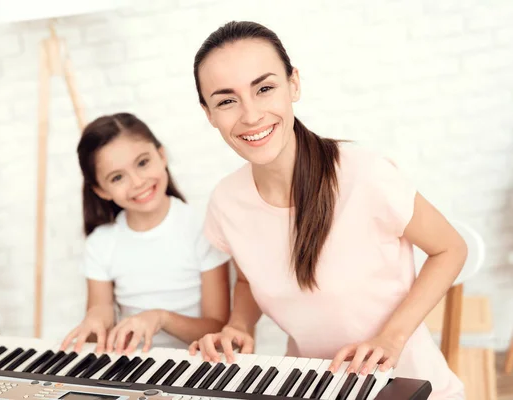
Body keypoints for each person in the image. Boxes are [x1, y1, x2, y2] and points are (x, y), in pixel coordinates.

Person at [188, 21, 466, 399]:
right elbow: (251, 280)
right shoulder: (225, 202)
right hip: (312, 386)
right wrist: (238, 325)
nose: (250, 115)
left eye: (265, 88)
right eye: (226, 100)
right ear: (208, 113)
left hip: (408, 384)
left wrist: (391, 337)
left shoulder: (365, 176)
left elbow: (450, 249)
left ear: (294, 84)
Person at [60, 112, 231, 355]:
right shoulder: (101, 242)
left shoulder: (203, 226)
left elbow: (218, 328)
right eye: (117, 177)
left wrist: (161, 318)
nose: (137, 182)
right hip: (133, 365)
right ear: (101, 191)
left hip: (199, 363)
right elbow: (101, 309)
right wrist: (94, 319)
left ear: (161, 156)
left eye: (142, 163)